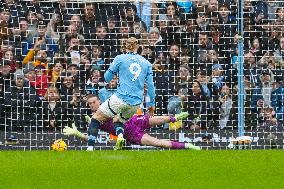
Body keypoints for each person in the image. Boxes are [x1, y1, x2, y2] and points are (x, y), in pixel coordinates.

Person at [87, 37, 155, 150]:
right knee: (119, 120)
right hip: (136, 103)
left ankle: (89, 148)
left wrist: (112, 71)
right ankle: (119, 136)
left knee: (96, 119)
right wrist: (151, 105)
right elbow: (151, 86)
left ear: (125, 46)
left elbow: (107, 78)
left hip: (120, 98)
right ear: (138, 47)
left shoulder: (120, 58)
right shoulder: (147, 63)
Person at [63, 109, 200, 150]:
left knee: (158, 119)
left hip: (133, 120)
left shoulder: (108, 105)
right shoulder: (96, 123)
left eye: (95, 102)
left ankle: (174, 118)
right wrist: (77, 133)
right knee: (157, 143)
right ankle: (187, 145)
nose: (94, 106)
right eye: (91, 104)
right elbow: (90, 138)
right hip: (132, 135)